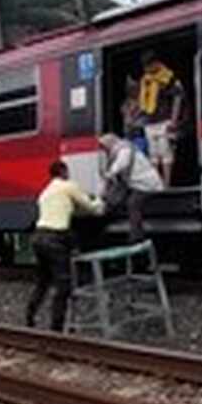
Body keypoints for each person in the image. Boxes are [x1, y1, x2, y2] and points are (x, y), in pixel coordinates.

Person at [27, 161, 105, 331]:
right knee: (63, 285)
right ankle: (57, 327)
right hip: (56, 238)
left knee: (43, 281)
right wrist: (100, 201)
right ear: (63, 171)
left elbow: (62, 209)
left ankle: (30, 315)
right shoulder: (68, 186)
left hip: (38, 236)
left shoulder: (45, 192)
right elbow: (91, 208)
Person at [99, 134, 163, 244]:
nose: (104, 150)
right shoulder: (122, 149)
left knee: (132, 203)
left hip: (147, 185)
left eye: (104, 147)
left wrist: (109, 174)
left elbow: (122, 164)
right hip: (138, 184)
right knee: (119, 197)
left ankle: (137, 236)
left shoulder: (124, 150)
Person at [138, 50, 187, 186]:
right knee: (153, 154)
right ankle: (156, 183)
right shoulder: (145, 80)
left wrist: (174, 119)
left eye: (148, 65)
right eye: (145, 67)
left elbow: (178, 97)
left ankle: (166, 183)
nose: (147, 69)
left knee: (165, 152)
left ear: (156, 63)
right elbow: (143, 100)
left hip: (165, 120)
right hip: (149, 121)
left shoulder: (168, 78)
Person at [120, 78, 149, 157]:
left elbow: (144, 115)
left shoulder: (144, 101)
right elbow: (124, 113)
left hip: (139, 135)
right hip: (128, 135)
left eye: (134, 88)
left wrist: (134, 117)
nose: (132, 91)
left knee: (140, 155)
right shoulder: (126, 103)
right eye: (130, 89)